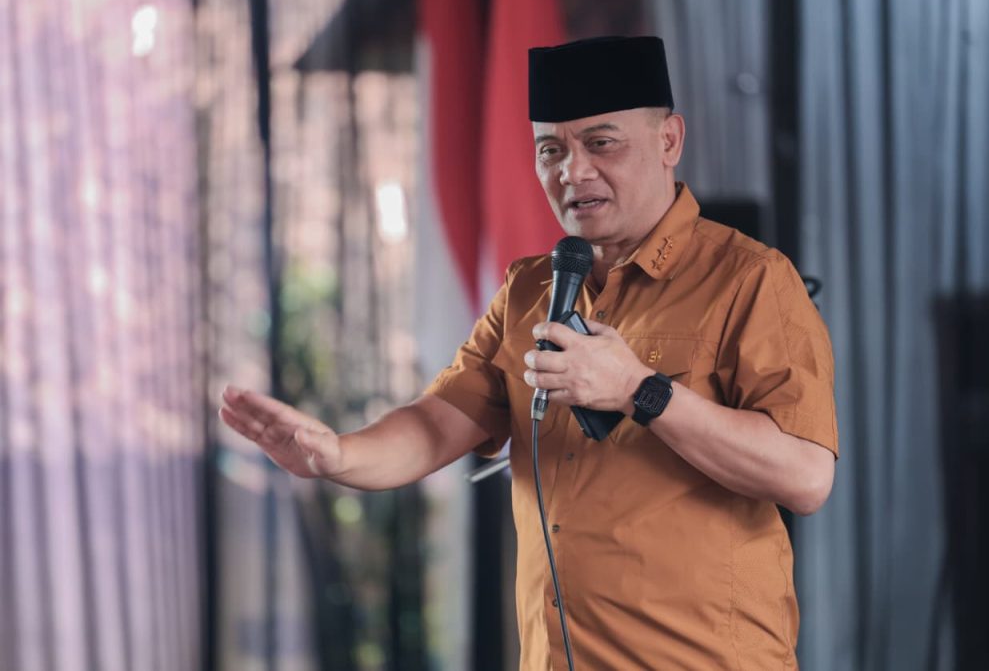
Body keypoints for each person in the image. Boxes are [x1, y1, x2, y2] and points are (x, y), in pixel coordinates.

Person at [220, 36, 837, 670]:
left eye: (601, 143)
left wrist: (640, 391)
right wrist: (338, 455)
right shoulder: (529, 289)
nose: (573, 172)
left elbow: (806, 476)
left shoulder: (750, 279)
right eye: (551, 150)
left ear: (668, 141)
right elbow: (438, 424)